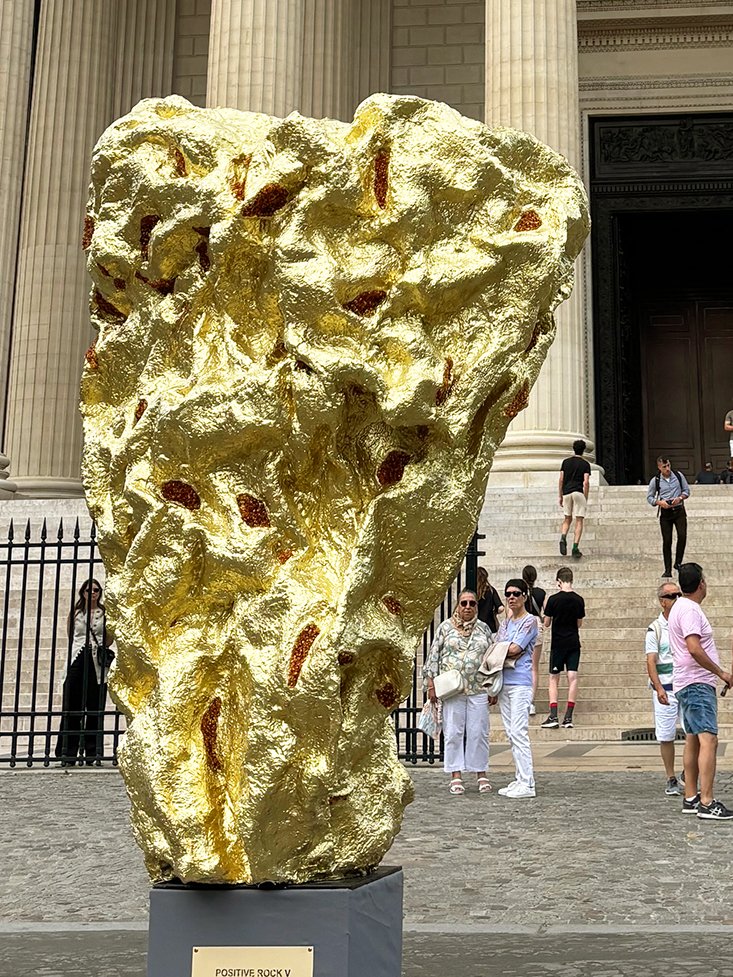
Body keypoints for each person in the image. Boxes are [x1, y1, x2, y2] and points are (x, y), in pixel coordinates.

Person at [668, 563, 733, 820]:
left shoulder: (678, 608)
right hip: (697, 682)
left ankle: (691, 796)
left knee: (693, 738)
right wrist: (721, 673)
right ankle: (706, 801)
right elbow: (694, 648)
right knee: (708, 739)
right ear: (701, 583)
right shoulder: (691, 610)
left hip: (687, 681)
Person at [423, 590, 493, 795]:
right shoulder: (445, 628)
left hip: (478, 687)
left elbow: (492, 658)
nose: (468, 607)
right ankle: (455, 773)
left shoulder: (484, 629)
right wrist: (430, 685)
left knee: (479, 732)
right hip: (452, 690)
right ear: (457, 605)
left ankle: (481, 772)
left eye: (472, 603)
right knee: (453, 731)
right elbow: (433, 655)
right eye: (464, 603)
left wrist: (493, 684)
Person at [55, 579, 113, 766]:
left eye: (96, 590)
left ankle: (92, 753)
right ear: (83, 592)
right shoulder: (76, 612)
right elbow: (71, 635)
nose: (93, 593)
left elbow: (109, 639)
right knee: (72, 708)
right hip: (77, 659)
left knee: (95, 708)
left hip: (96, 662)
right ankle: (67, 753)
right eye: (89, 590)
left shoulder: (105, 613)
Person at [492, 579, 538, 798]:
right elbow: (501, 647)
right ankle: (520, 777)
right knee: (511, 733)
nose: (511, 597)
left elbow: (516, 648)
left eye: (516, 593)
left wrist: (504, 649)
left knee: (519, 732)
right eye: (508, 593)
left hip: (520, 682)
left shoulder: (530, 621)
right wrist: (505, 649)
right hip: (504, 681)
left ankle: (528, 783)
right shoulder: (506, 623)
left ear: (524, 596)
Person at [646, 582, 685, 796]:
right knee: (666, 735)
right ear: (663, 601)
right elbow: (650, 661)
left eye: (679, 594)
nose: (677, 598)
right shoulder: (656, 628)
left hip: (686, 685)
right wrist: (658, 687)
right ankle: (670, 777)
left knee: (694, 732)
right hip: (666, 687)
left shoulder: (685, 623)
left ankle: (688, 772)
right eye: (672, 596)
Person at [541, 566, 585, 729]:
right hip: (573, 642)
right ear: (571, 580)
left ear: (559, 581)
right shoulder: (579, 599)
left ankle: (553, 715)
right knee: (572, 677)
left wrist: (546, 610)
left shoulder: (553, 599)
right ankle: (568, 717)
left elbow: (546, 623)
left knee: (554, 678)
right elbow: (579, 623)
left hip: (558, 643)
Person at [646, 457, 690, 579]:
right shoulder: (656, 480)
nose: (667, 469)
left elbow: (686, 491)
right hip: (666, 513)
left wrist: (680, 498)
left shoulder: (678, 475)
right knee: (667, 541)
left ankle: (678, 562)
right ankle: (667, 569)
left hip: (679, 510)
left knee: (682, 535)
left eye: (669, 465)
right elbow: (649, 497)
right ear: (659, 467)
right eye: (664, 467)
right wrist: (660, 503)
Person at [558, 439, 591, 559]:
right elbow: (586, 482)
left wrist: (560, 495)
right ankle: (575, 548)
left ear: (574, 448)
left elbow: (561, 479)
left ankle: (563, 537)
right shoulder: (585, 464)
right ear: (583, 450)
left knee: (567, 518)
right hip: (578, 492)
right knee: (579, 520)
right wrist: (585, 496)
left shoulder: (565, 462)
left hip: (567, 492)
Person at [522, 564, 546, 716]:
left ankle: (522, 699)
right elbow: (547, 611)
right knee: (534, 667)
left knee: (521, 664)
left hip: (523, 625)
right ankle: (531, 702)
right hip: (537, 625)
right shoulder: (541, 593)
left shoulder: (520, 593)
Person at [476, 566, 503, 634]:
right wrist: (494, 612)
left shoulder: (472, 590)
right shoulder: (491, 590)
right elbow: (501, 608)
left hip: (476, 625)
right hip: (490, 625)